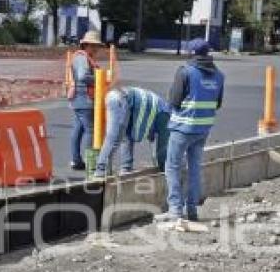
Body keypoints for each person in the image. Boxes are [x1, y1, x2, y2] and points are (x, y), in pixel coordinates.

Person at [158, 39, 224, 222]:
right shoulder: (219, 75)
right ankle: (192, 210)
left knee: (172, 166)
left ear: (192, 53)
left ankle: (175, 210)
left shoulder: (185, 72)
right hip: (203, 129)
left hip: (182, 128)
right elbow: (217, 103)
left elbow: (174, 100)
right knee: (194, 167)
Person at [92, 85, 171, 178]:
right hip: (120, 100)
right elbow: (162, 149)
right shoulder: (165, 116)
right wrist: (163, 169)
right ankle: (101, 170)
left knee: (125, 135)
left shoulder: (158, 108)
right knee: (114, 137)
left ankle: (126, 168)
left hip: (115, 96)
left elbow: (135, 135)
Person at [68, 30, 105, 171]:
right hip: (85, 99)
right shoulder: (82, 58)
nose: (96, 49)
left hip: (79, 99)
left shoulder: (82, 57)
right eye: (94, 45)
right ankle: (91, 163)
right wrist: (100, 77)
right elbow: (83, 76)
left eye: (97, 46)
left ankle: (76, 160)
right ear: (87, 45)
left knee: (78, 129)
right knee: (90, 130)